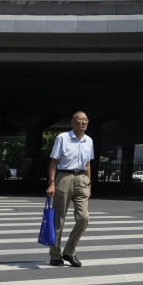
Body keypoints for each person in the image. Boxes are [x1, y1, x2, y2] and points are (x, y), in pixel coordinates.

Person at [46, 111, 93, 267]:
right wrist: (52, 183)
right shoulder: (62, 138)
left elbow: (87, 164)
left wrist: (89, 182)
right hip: (64, 178)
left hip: (82, 180)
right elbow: (54, 162)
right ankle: (55, 255)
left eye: (86, 120)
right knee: (58, 219)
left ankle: (69, 251)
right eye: (80, 120)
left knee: (83, 218)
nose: (83, 123)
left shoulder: (89, 141)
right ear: (73, 122)